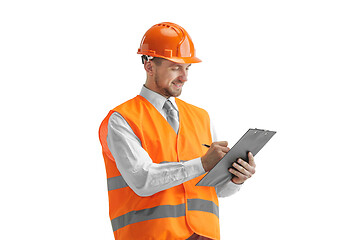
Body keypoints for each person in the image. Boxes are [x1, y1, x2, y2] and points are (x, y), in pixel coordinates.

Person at [99, 22, 256, 240]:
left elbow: (215, 190)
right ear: (149, 66)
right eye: (175, 67)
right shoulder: (122, 119)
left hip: (204, 235)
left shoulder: (200, 117)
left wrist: (235, 179)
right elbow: (142, 180)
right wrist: (202, 163)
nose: (184, 77)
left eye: (187, 68)